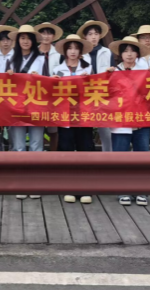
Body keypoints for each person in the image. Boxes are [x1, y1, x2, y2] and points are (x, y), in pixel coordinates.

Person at [107, 36, 150, 207]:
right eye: (125, 51)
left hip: (141, 119)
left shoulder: (145, 71)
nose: (129, 54)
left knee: (142, 156)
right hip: (120, 121)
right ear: (120, 54)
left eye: (133, 51)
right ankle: (123, 190)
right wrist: (107, 77)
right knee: (121, 157)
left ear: (138, 54)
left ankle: (141, 190)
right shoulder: (113, 72)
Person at [53, 34, 94, 205]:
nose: (73, 51)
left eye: (76, 48)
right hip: (65, 117)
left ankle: (86, 188)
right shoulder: (57, 70)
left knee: (85, 149)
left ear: (81, 51)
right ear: (65, 51)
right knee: (66, 149)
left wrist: (88, 81)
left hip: (84, 116)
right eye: (69, 48)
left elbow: (97, 90)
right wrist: (53, 83)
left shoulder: (89, 69)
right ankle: (68, 186)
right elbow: (51, 93)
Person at [6, 25, 46, 200]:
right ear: (18, 40)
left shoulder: (41, 59)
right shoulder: (11, 60)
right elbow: (4, 87)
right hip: (17, 109)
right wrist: (7, 76)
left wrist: (40, 78)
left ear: (33, 41)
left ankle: (36, 183)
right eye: (22, 38)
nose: (25, 41)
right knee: (19, 146)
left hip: (36, 107)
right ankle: (21, 182)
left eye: (29, 38)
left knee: (37, 145)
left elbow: (49, 83)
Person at [77, 21, 113, 153]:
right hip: (85, 98)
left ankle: (108, 159)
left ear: (100, 36)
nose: (93, 37)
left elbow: (113, 76)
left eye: (96, 34)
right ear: (85, 36)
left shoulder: (107, 52)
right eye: (90, 34)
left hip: (103, 97)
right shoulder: (79, 54)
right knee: (85, 132)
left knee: (106, 133)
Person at [35, 22, 64, 151]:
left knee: (53, 127)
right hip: (37, 94)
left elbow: (63, 69)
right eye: (43, 33)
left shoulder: (58, 53)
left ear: (53, 36)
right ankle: (39, 154)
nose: (46, 36)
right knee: (37, 126)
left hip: (54, 95)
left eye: (49, 33)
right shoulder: (33, 52)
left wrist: (56, 78)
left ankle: (53, 154)